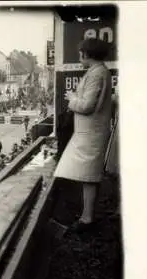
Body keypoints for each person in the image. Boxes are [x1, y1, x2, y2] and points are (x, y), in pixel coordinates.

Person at [54, 38, 114, 233]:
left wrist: (72, 98)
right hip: (91, 132)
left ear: (87, 54)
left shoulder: (96, 74)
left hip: (89, 134)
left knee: (74, 172)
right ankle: (85, 216)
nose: (80, 57)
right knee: (88, 176)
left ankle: (82, 217)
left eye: (81, 53)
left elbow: (87, 106)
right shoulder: (101, 71)